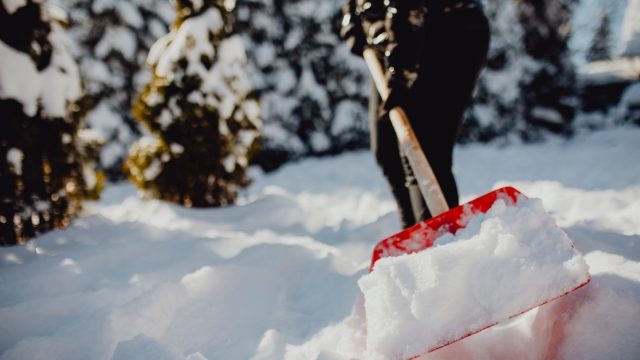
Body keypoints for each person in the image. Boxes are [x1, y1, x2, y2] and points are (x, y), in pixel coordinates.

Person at [341, 0, 490, 228]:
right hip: (394, 38)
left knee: (425, 150)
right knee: (388, 149)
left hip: (447, 28)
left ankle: (442, 244)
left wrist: (401, 73)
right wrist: (354, 14)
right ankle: (415, 236)